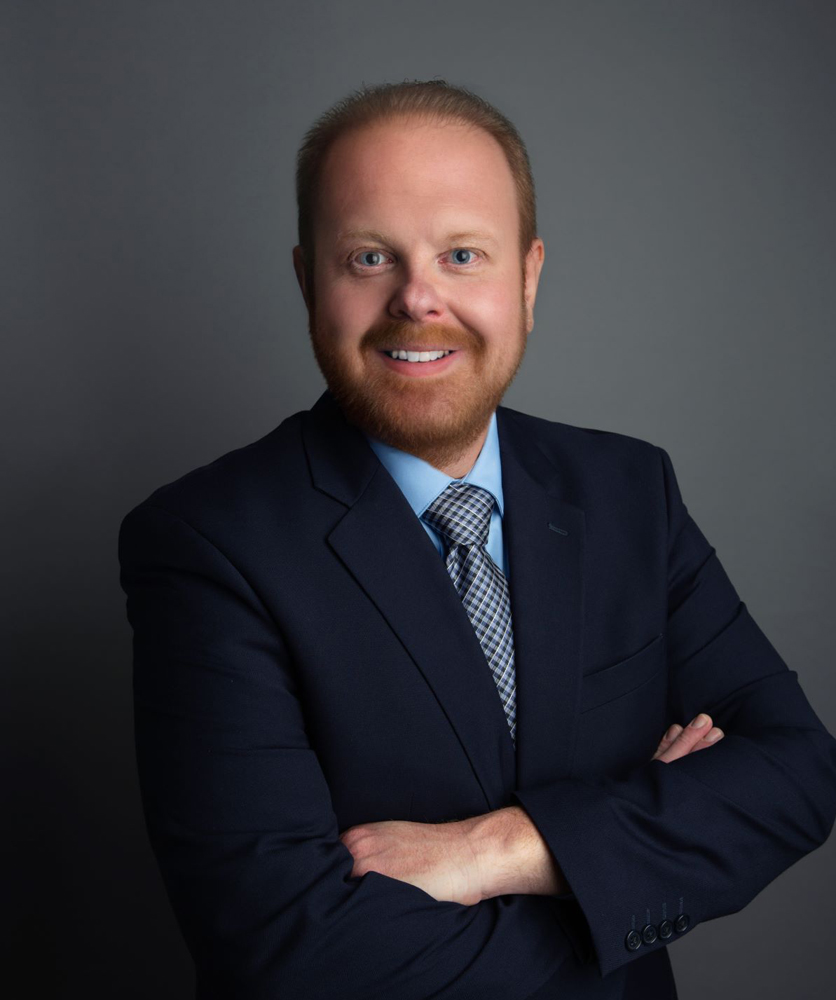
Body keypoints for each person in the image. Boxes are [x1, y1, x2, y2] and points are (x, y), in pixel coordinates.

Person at [118, 80, 836, 999]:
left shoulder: (629, 493)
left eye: (463, 254)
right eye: (370, 256)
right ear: (308, 282)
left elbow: (796, 772)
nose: (418, 298)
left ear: (527, 278)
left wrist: (503, 848)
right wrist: (625, 861)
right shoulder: (207, 544)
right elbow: (289, 951)